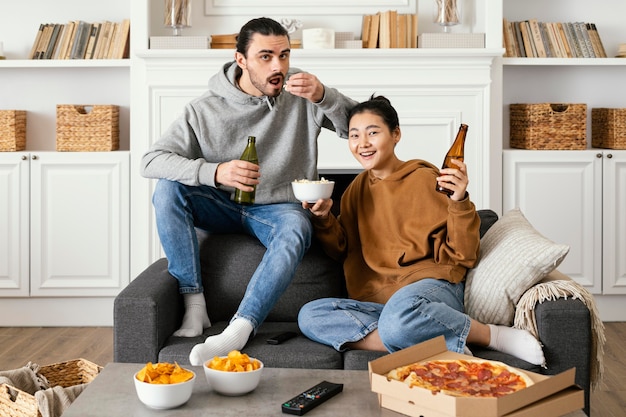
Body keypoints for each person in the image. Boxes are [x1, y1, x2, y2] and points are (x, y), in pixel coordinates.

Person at [140, 17, 358, 366]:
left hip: (278, 208)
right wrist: (215, 171)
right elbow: (150, 161)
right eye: (266, 57)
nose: (279, 67)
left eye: (285, 55)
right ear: (241, 60)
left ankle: (240, 327)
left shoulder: (302, 94)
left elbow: (357, 129)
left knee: (297, 226)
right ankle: (194, 305)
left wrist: (324, 95)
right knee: (168, 189)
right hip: (221, 205)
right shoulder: (203, 109)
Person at [297, 95, 545, 365]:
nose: (362, 144)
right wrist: (323, 218)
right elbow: (341, 249)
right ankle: (424, 340)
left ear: (396, 135)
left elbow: (465, 255)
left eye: (373, 133)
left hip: (427, 292)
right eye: (354, 135)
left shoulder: (426, 179)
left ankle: (492, 336)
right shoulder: (356, 189)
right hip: (379, 305)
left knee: (400, 315)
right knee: (309, 315)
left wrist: (459, 201)